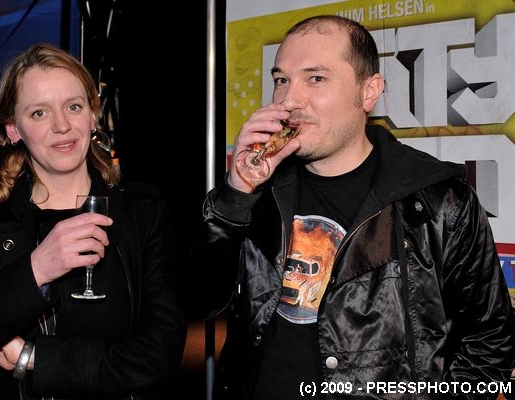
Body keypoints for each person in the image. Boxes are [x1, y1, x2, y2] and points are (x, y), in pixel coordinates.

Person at [195, 15, 515, 399]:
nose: (289, 100)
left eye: (316, 78)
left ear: (369, 92)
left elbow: (491, 341)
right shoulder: (258, 192)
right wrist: (236, 194)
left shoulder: (438, 201)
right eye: (281, 80)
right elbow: (199, 300)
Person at [0, 43, 186, 399]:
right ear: (13, 129)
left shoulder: (141, 213)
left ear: (93, 115)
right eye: (39, 113)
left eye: (74, 107)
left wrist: (32, 358)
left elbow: (160, 353)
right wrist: (36, 269)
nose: (62, 126)